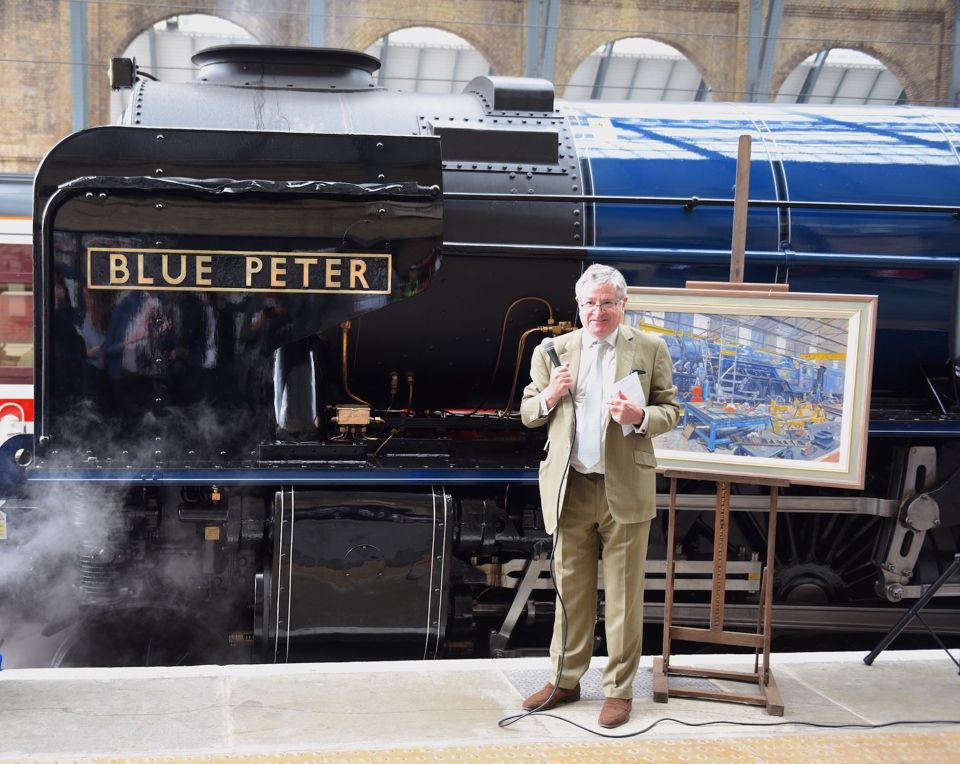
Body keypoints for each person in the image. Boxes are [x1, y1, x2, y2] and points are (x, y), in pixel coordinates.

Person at [519, 264, 679, 728]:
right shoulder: (553, 350)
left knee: (625, 595)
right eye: (589, 303)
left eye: (607, 302)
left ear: (622, 304)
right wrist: (550, 394)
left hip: (623, 486)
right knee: (570, 590)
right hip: (572, 486)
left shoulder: (649, 348)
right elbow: (529, 412)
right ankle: (566, 680)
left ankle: (619, 690)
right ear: (579, 306)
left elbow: (670, 409)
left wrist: (640, 414)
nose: (598, 311)